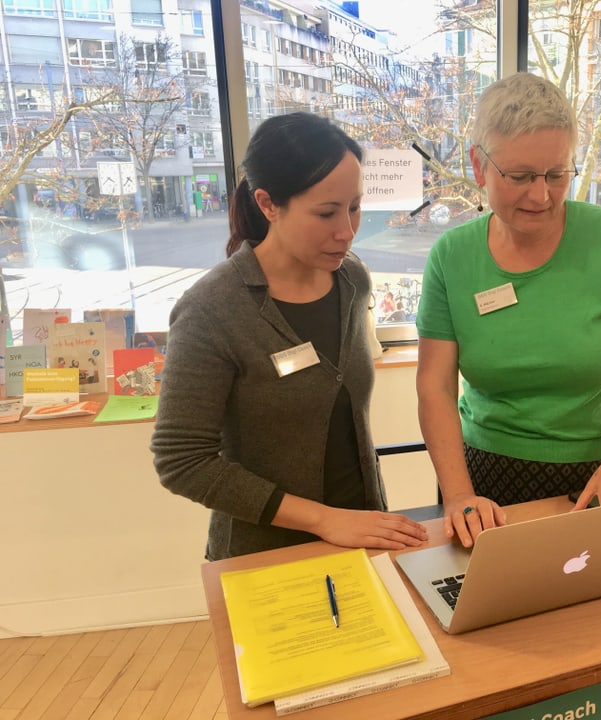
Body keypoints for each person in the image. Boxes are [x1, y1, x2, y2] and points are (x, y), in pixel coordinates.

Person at [151, 113, 427, 560]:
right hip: (264, 555)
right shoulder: (212, 308)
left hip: (364, 537)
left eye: (354, 207)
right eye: (326, 213)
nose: (347, 230)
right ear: (267, 204)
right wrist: (325, 520)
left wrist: (353, 521)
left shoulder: (352, 281)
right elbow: (181, 462)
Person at [416, 73, 601, 547]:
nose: (541, 196)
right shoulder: (453, 257)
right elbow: (434, 386)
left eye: (557, 174)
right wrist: (458, 496)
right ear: (479, 165)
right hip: (482, 478)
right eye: (519, 177)